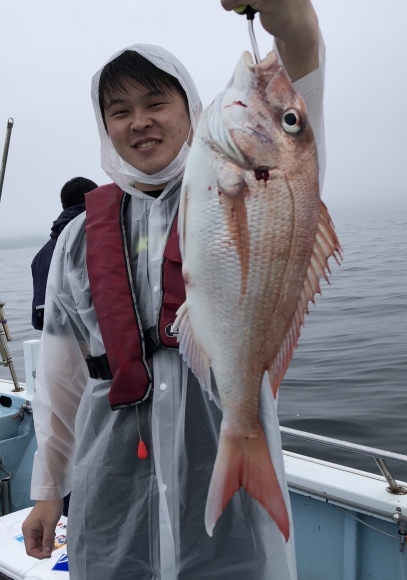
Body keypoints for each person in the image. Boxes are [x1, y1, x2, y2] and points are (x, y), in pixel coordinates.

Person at [22, 1, 325, 578]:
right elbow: (61, 381)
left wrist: (287, 14)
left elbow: (302, 64)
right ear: (104, 124)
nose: (140, 122)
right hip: (113, 500)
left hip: (226, 502)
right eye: (120, 110)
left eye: (157, 102)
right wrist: (47, 489)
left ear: (193, 108)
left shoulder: (245, 179)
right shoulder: (79, 238)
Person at [31, 177, 98, 331]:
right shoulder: (98, 238)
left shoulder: (42, 256)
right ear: (95, 199)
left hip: (60, 343)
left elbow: (40, 315)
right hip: (100, 338)